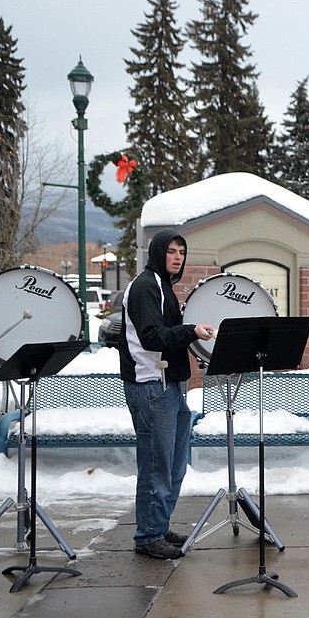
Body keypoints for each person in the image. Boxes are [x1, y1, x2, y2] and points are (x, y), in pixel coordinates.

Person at [119, 229, 214, 559]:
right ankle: (147, 535)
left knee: (174, 466)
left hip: (169, 385)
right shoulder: (146, 286)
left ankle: (157, 526)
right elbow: (151, 336)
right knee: (156, 465)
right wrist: (191, 331)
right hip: (150, 387)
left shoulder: (164, 287)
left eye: (181, 252)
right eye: (171, 251)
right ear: (157, 253)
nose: (177, 257)